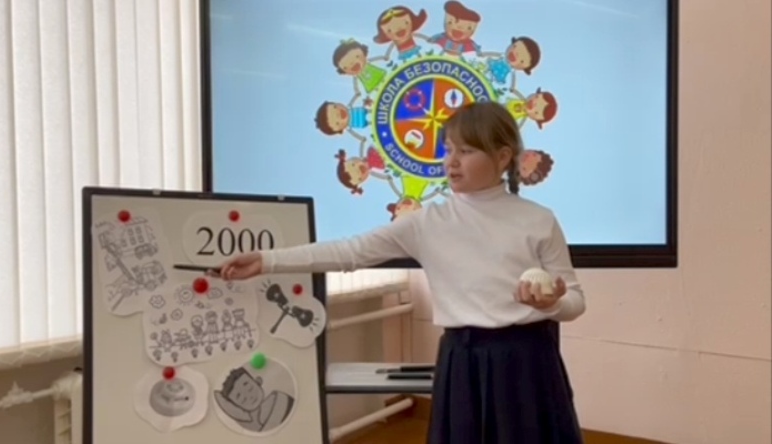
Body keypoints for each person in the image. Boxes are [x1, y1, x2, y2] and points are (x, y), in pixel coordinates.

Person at [214, 101, 586, 443]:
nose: (452, 162)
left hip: (527, 363)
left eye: (466, 151)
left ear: (503, 156)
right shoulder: (428, 223)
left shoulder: (538, 220)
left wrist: (552, 303)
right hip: (462, 361)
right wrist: (267, 261)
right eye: (448, 150)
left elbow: (575, 300)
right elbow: (350, 251)